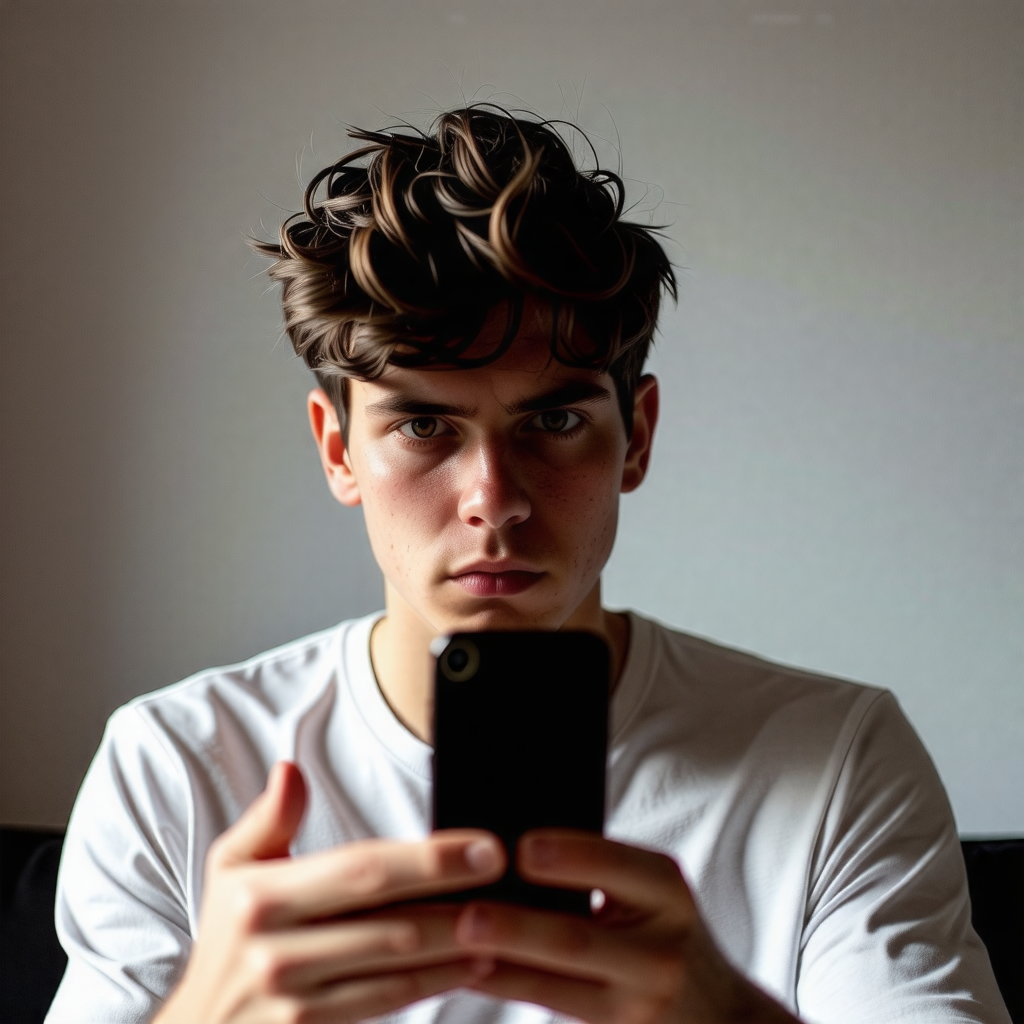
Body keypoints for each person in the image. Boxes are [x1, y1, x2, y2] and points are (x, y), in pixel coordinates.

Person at [46, 107, 1009, 1024]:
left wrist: (728, 1016)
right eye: (423, 426)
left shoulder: (837, 762)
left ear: (636, 437)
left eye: (552, 420)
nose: (494, 499)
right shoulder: (177, 767)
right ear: (338, 452)